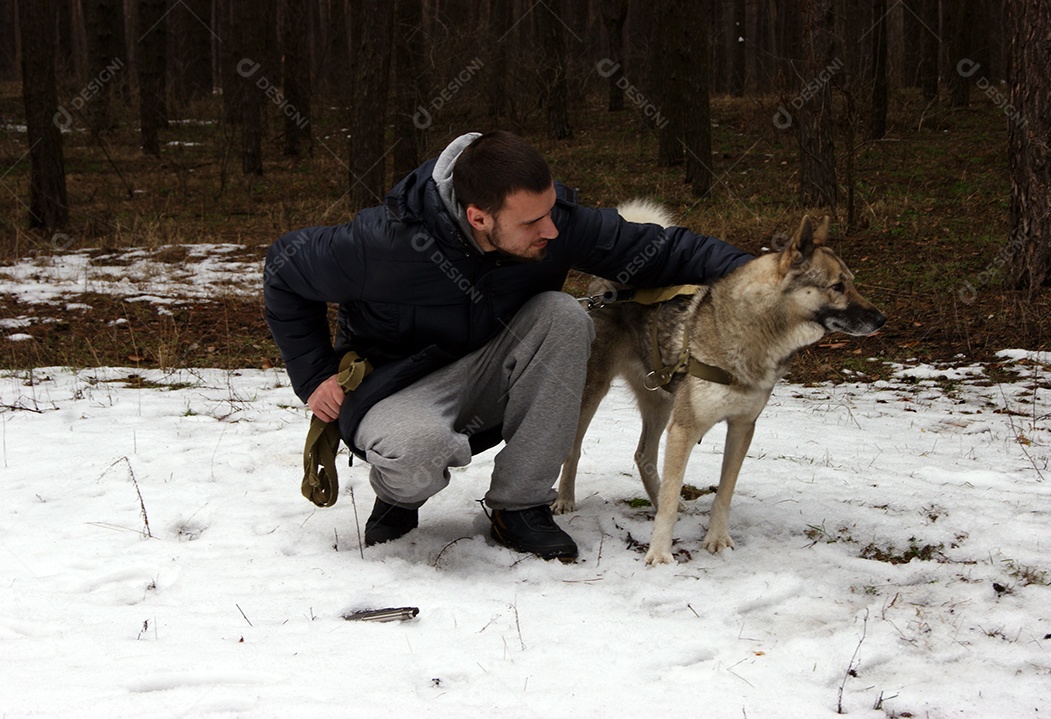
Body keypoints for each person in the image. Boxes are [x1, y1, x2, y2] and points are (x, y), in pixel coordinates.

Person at [264, 130, 752, 561]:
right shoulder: (385, 243)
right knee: (416, 453)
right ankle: (400, 495)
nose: (551, 230)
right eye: (532, 222)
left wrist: (760, 277)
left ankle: (519, 508)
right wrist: (312, 374)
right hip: (397, 386)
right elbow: (284, 267)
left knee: (565, 317)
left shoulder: (549, 222)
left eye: (550, 210)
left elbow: (661, 250)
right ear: (478, 217)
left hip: (494, 368)